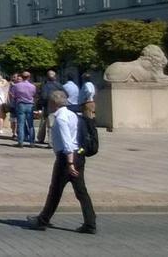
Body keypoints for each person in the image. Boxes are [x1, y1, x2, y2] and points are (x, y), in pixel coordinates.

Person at [27, 90, 97, 234]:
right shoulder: (73, 115)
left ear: (53, 103)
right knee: (81, 191)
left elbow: (67, 142)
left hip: (66, 159)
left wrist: (70, 163)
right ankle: (90, 223)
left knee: (55, 191)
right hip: (79, 156)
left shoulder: (61, 118)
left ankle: (42, 220)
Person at [10, 71, 37, 147]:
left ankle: (20, 142)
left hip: (20, 104)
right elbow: (34, 96)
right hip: (30, 105)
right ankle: (32, 142)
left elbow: (12, 95)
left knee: (21, 124)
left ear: (21, 76)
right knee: (31, 124)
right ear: (29, 77)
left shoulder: (16, 86)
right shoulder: (33, 86)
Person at [37, 71, 62, 146]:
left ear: (47, 77)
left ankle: (50, 142)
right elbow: (66, 94)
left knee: (49, 125)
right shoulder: (59, 85)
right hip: (58, 107)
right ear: (55, 77)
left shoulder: (45, 86)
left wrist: (42, 104)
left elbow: (43, 97)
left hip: (49, 107)